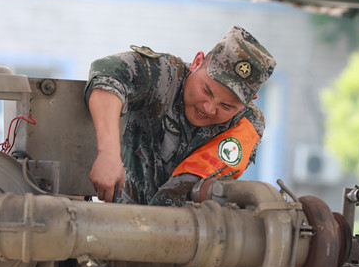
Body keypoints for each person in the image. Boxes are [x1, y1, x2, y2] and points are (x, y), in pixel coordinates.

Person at [84, 25, 276, 206]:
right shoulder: (164, 75)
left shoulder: (246, 124)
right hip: (114, 220)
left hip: (180, 231)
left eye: (226, 106)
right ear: (196, 62)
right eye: (207, 91)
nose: (209, 108)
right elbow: (108, 74)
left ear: (249, 102)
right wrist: (107, 154)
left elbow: (192, 179)